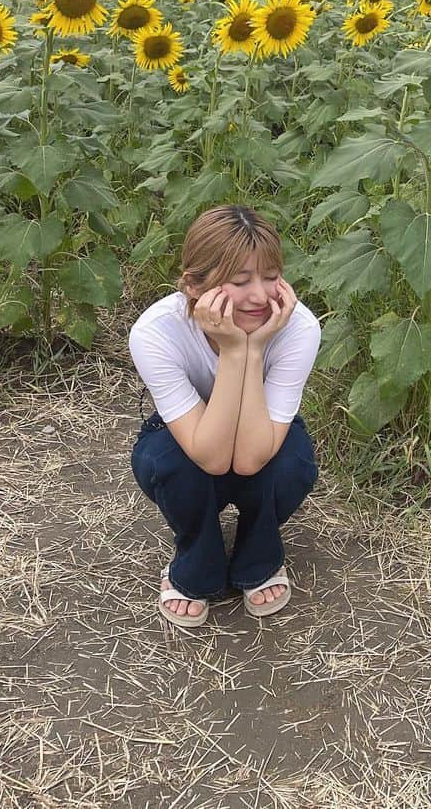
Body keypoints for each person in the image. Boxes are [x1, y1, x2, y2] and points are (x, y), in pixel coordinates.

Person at [129, 205, 321, 630]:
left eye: (271, 277)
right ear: (194, 286)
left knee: (292, 462)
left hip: (262, 438)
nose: (260, 296)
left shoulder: (299, 327)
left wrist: (251, 349)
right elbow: (212, 459)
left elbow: (251, 458)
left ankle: (260, 555)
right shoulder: (155, 332)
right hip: (192, 445)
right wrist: (235, 350)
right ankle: (196, 562)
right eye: (239, 281)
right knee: (169, 463)